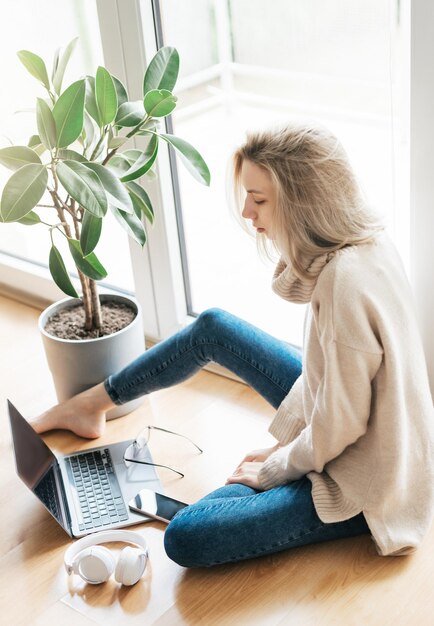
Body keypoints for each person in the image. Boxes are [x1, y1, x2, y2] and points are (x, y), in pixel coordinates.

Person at [32, 122, 434, 567]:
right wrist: (291, 447)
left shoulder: (346, 283)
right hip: (355, 417)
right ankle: (92, 403)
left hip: (367, 477)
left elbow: (342, 426)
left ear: (305, 204)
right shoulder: (361, 242)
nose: (246, 211)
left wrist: (277, 465)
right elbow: (338, 389)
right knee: (213, 327)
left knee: (187, 537)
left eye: (259, 199)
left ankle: (232, 503)